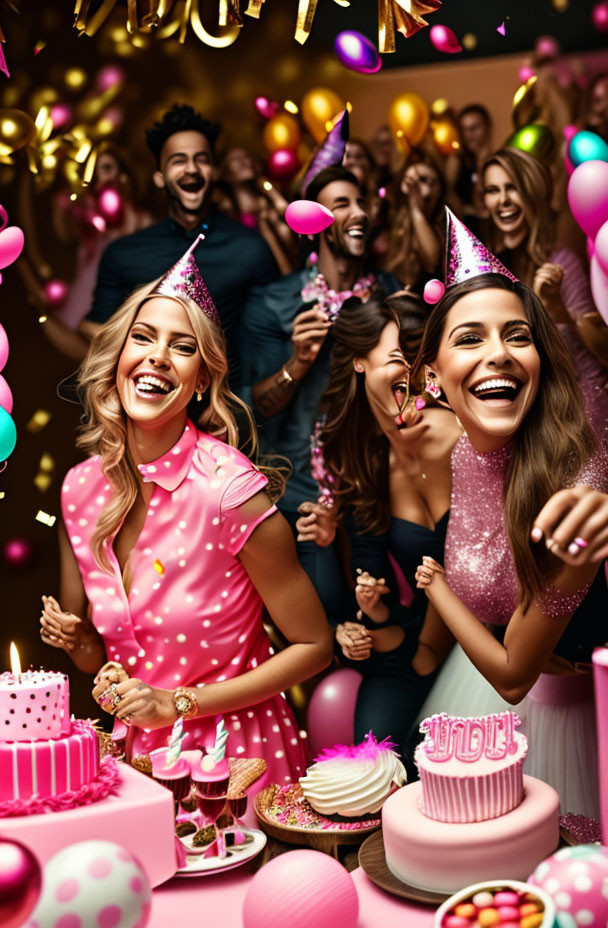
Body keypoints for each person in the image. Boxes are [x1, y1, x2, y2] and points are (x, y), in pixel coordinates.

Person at [39, 242, 332, 785]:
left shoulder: (230, 490)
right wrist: (81, 645)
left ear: (201, 380)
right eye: (143, 338)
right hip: (131, 768)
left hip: (236, 762)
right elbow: (99, 659)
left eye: (181, 347)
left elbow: (315, 647)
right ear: (118, 358)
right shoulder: (79, 489)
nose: (156, 356)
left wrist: (177, 704)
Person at [411, 211, 608, 815]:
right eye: (470, 338)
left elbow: (513, 676)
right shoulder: (464, 448)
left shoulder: (574, 487)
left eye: (517, 335)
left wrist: (437, 589)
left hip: (570, 717)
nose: (498, 353)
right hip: (483, 704)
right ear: (434, 381)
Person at [297, 293, 460, 765]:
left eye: (417, 361)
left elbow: (476, 567)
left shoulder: (454, 436)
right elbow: (373, 593)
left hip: (482, 643)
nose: (409, 376)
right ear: (359, 363)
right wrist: (370, 607)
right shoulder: (362, 459)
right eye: (396, 360)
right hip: (409, 650)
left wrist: (424, 651)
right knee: (377, 762)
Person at [239, 165, 399, 614]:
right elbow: (256, 411)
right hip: (298, 494)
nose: (359, 213)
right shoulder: (275, 303)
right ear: (313, 223)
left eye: (361, 202)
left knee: (383, 619)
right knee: (320, 615)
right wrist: (298, 363)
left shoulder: (391, 296)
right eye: (341, 203)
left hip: (376, 489)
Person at [77, 104, 280, 385]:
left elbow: (274, 335)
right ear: (159, 177)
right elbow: (95, 328)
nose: (192, 169)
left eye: (202, 159)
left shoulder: (250, 248)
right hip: (149, 406)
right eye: (178, 160)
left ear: (215, 172)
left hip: (227, 409)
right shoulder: (124, 254)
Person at [481, 147, 608, 426]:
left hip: (576, 413)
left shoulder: (562, 263)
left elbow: (600, 356)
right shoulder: (484, 269)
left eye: (512, 188)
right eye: (492, 190)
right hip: (518, 417)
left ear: (532, 193)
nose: (503, 200)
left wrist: (557, 311)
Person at [216, 145, 296, 274]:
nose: (245, 161)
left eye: (248, 157)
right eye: (236, 158)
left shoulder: (273, 201)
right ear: (225, 173)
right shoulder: (226, 216)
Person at [383, 152, 445, 294]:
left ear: (438, 188)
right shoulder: (392, 222)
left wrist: (416, 208)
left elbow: (433, 262)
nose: (414, 187)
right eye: (409, 180)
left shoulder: (443, 225)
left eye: (423, 180)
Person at [446, 104, 494, 226]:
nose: (468, 135)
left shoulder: (497, 160)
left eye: (473, 128)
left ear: (488, 127)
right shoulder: (456, 160)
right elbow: (447, 194)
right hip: (465, 225)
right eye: (464, 130)